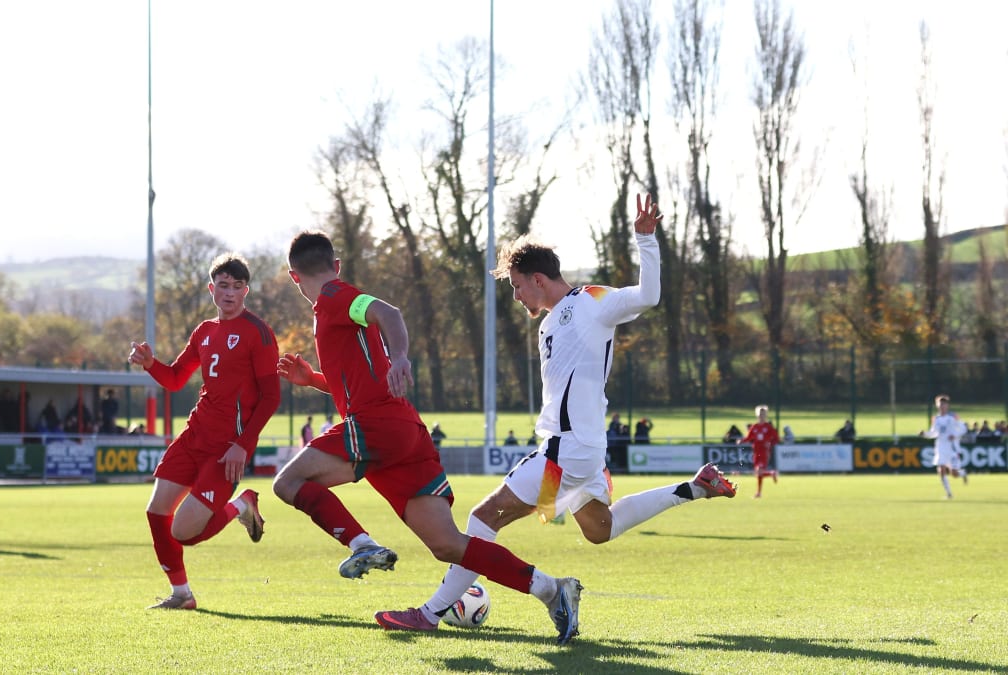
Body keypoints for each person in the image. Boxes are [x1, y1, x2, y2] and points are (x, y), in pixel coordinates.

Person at [370, 195, 736, 640]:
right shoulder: (550, 322)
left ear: (538, 279)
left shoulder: (590, 301)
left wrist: (646, 241)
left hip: (565, 452)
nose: (517, 295)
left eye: (517, 286)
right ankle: (693, 488)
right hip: (579, 450)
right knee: (600, 529)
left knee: (485, 517)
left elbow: (649, 296)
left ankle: (432, 613)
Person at [273, 230, 583, 644]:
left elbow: (390, 313)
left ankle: (362, 544)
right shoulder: (334, 307)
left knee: (287, 483)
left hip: (377, 426)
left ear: (294, 277)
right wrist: (312, 379)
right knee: (448, 544)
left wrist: (400, 355)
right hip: (402, 432)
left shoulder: (336, 296)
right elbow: (357, 381)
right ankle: (551, 589)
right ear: (337, 262)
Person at [128, 253, 280, 610]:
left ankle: (242, 505)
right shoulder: (204, 331)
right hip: (194, 437)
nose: (230, 293)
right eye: (223, 286)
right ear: (212, 289)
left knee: (184, 532)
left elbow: (271, 397)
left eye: (237, 286)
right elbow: (177, 378)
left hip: (226, 448)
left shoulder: (257, 332)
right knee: (156, 512)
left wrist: (243, 445)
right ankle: (182, 594)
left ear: (246, 290)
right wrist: (151, 365)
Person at [921, 394, 967, 499]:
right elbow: (934, 433)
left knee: (954, 474)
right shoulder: (936, 419)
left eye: (944, 404)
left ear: (947, 405)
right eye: (940, 404)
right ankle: (949, 494)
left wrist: (955, 435)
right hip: (940, 447)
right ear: (937, 405)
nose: (942, 406)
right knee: (941, 469)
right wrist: (925, 434)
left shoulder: (953, 417)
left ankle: (962, 473)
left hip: (952, 448)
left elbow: (964, 429)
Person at [739, 405, 779, 498]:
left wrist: (769, 444)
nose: (762, 416)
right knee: (758, 473)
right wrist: (741, 441)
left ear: (766, 415)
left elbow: (776, 439)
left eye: (763, 414)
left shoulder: (768, 427)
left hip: (764, 452)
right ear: (757, 415)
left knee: (759, 472)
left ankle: (772, 473)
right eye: (760, 414)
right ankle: (759, 492)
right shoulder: (754, 427)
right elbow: (749, 437)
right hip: (756, 452)